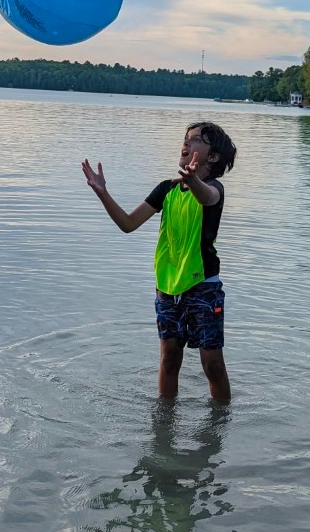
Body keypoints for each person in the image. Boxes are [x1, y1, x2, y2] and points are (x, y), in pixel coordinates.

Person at [82, 121, 237, 402]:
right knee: (169, 359)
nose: (186, 143)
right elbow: (128, 224)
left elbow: (207, 196)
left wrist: (193, 181)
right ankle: (164, 426)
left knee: (211, 364)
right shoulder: (166, 190)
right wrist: (103, 193)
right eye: (185, 139)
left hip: (204, 285)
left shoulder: (214, 189)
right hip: (167, 286)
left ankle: (221, 422)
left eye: (196, 140)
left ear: (212, 156)